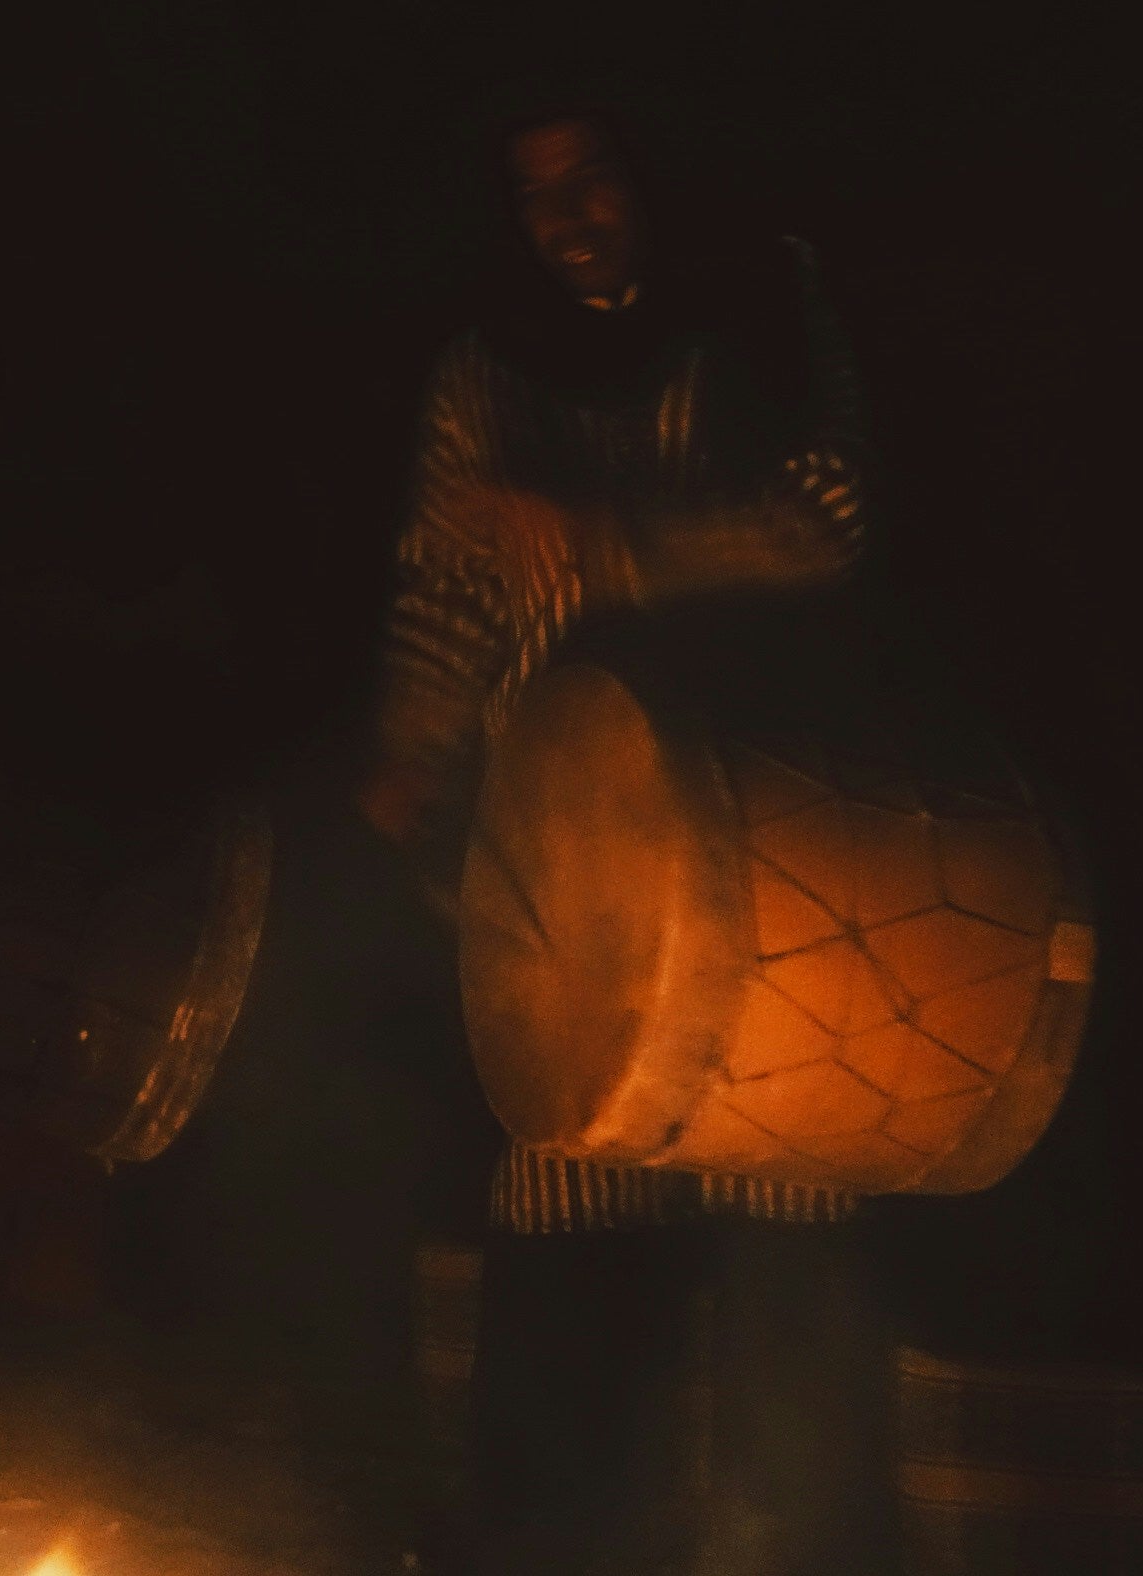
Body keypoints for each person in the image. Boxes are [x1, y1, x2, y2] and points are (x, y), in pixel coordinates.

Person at [361, 107, 883, 1571]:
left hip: (775, 862)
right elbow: (446, 576)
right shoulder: (486, 369)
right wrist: (410, 748)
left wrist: (605, 541)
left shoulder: (758, 308)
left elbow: (827, 517)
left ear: (653, 168)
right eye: (534, 197)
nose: (568, 216)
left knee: (786, 1275)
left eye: (592, 177)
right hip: (575, 876)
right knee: (571, 1246)